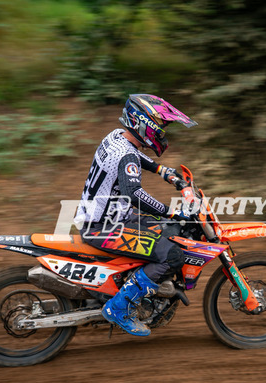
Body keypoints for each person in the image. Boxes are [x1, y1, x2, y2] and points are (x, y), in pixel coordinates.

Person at [74, 94, 197, 337]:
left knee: (168, 231)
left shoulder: (115, 137)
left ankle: (138, 288)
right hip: (103, 227)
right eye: (160, 125)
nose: (162, 132)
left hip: (107, 218)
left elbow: (134, 157)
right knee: (171, 255)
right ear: (145, 123)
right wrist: (171, 211)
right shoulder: (127, 155)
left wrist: (165, 172)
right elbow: (135, 194)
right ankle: (119, 308)